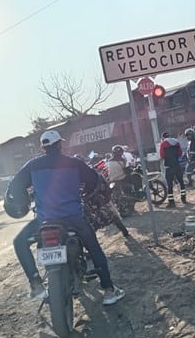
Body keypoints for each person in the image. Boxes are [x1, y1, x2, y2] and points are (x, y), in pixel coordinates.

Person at [9, 130, 125, 305]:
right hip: (74, 219)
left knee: (19, 242)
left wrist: (24, 200)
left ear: (43, 148)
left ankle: (36, 284)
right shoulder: (73, 163)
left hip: (44, 221)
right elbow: (94, 181)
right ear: (59, 145)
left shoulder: (32, 165)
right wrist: (86, 191)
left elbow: (15, 186)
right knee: (94, 248)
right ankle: (109, 290)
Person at [159, 132, 186, 208]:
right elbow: (180, 153)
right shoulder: (176, 142)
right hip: (177, 165)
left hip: (168, 166)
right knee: (181, 182)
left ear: (163, 137)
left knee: (169, 185)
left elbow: (162, 155)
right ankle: (184, 198)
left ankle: (171, 202)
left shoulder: (163, 144)